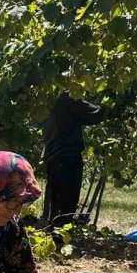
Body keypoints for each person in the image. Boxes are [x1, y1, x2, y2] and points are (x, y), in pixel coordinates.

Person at [41, 92, 107, 226]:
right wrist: (109, 104)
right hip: (67, 157)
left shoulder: (52, 98)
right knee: (68, 199)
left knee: (55, 198)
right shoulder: (71, 98)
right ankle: (62, 234)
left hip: (52, 156)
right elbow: (96, 115)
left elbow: (84, 119)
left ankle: (54, 232)